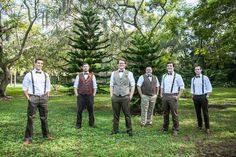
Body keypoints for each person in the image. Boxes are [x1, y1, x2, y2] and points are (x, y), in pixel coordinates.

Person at [22, 58, 51, 145]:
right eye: (38, 63)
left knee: (44, 117)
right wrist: (28, 97)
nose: (40, 64)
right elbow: (24, 87)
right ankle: (28, 138)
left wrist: (47, 96)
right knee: (31, 118)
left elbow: (48, 86)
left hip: (43, 98)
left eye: (41, 63)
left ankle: (46, 135)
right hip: (33, 98)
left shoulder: (46, 75)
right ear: (35, 64)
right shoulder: (29, 75)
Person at [109, 59, 135, 136]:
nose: (121, 64)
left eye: (123, 63)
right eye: (120, 63)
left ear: (125, 64)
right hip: (115, 96)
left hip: (125, 96)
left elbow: (133, 85)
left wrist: (131, 96)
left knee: (127, 114)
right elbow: (111, 85)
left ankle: (129, 130)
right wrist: (111, 95)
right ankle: (115, 130)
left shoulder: (129, 73)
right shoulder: (113, 73)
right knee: (115, 114)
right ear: (118, 64)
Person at [160, 61, 184, 135]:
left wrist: (178, 96)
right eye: (168, 66)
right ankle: (165, 128)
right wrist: (161, 94)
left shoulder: (178, 76)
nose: (169, 67)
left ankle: (175, 129)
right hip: (165, 96)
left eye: (171, 66)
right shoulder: (164, 76)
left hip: (173, 96)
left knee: (174, 113)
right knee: (165, 113)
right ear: (166, 67)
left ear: (173, 67)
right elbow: (162, 86)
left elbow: (182, 87)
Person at [74, 63, 97, 129]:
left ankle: (91, 124)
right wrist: (77, 95)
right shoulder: (79, 75)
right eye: (84, 67)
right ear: (82, 68)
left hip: (90, 96)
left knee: (91, 111)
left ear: (89, 67)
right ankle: (78, 125)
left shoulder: (92, 75)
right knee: (79, 111)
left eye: (87, 66)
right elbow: (75, 86)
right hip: (81, 96)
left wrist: (93, 95)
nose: (85, 68)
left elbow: (95, 86)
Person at [191, 65, 212, 134]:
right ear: (194, 71)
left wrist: (207, 95)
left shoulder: (205, 78)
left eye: (198, 69)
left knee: (205, 112)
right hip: (196, 97)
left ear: (201, 70)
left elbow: (209, 87)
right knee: (198, 112)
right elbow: (192, 88)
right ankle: (200, 125)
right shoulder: (193, 79)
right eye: (195, 69)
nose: (197, 70)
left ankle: (207, 127)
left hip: (203, 97)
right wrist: (192, 95)